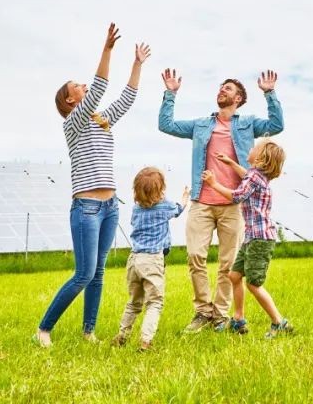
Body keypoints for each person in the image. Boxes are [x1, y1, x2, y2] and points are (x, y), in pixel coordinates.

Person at [34, 23, 150, 348]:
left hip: (110, 207)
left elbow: (125, 99)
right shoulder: (73, 123)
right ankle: (43, 329)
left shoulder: (100, 122)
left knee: (98, 273)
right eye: (77, 86)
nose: (83, 86)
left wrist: (137, 64)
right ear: (70, 101)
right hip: (85, 208)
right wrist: (108, 50)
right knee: (83, 273)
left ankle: (88, 332)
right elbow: (99, 87)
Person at [158, 68, 283, 332]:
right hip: (202, 201)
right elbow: (166, 125)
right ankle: (202, 312)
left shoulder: (247, 123)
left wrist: (270, 93)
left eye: (228, 88)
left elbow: (276, 125)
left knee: (228, 265)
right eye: (221, 87)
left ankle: (221, 315)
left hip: (233, 205)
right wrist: (170, 93)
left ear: (238, 99)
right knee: (195, 256)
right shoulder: (201, 125)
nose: (221, 90)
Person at [202, 138, 293, 338]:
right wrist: (231, 163)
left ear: (261, 158)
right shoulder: (257, 176)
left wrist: (214, 183)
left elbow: (236, 196)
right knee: (234, 276)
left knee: (253, 283)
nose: (250, 148)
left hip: (260, 240)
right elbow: (246, 176)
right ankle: (238, 320)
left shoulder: (254, 177)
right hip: (252, 238)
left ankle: (279, 323)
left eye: (255, 148)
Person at [111, 169, 189, 351]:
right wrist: (185, 197)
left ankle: (122, 335)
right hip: (153, 260)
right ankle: (146, 340)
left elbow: (135, 222)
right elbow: (178, 209)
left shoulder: (136, 209)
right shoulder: (164, 206)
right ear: (160, 189)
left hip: (134, 259)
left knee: (134, 302)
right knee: (154, 302)